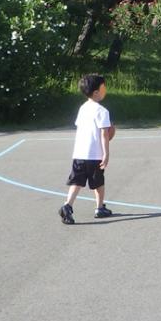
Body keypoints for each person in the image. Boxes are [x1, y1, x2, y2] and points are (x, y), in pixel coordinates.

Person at [59, 73, 115, 224]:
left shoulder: (83, 108)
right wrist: (106, 154)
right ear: (96, 92)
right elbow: (104, 134)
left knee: (76, 182)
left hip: (79, 153)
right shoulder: (102, 111)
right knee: (98, 183)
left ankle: (67, 205)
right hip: (94, 154)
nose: (105, 90)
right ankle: (99, 208)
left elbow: (81, 127)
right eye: (104, 87)